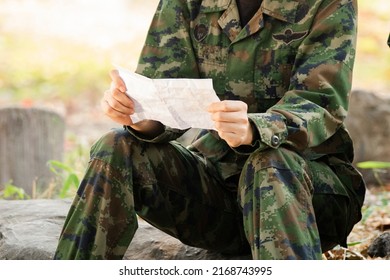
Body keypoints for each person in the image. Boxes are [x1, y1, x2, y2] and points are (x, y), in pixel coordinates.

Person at [54, 0, 366, 260]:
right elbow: (162, 91)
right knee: (116, 144)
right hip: (219, 199)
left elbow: (320, 103)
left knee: (269, 164)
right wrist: (139, 117)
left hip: (309, 198)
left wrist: (254, 129)